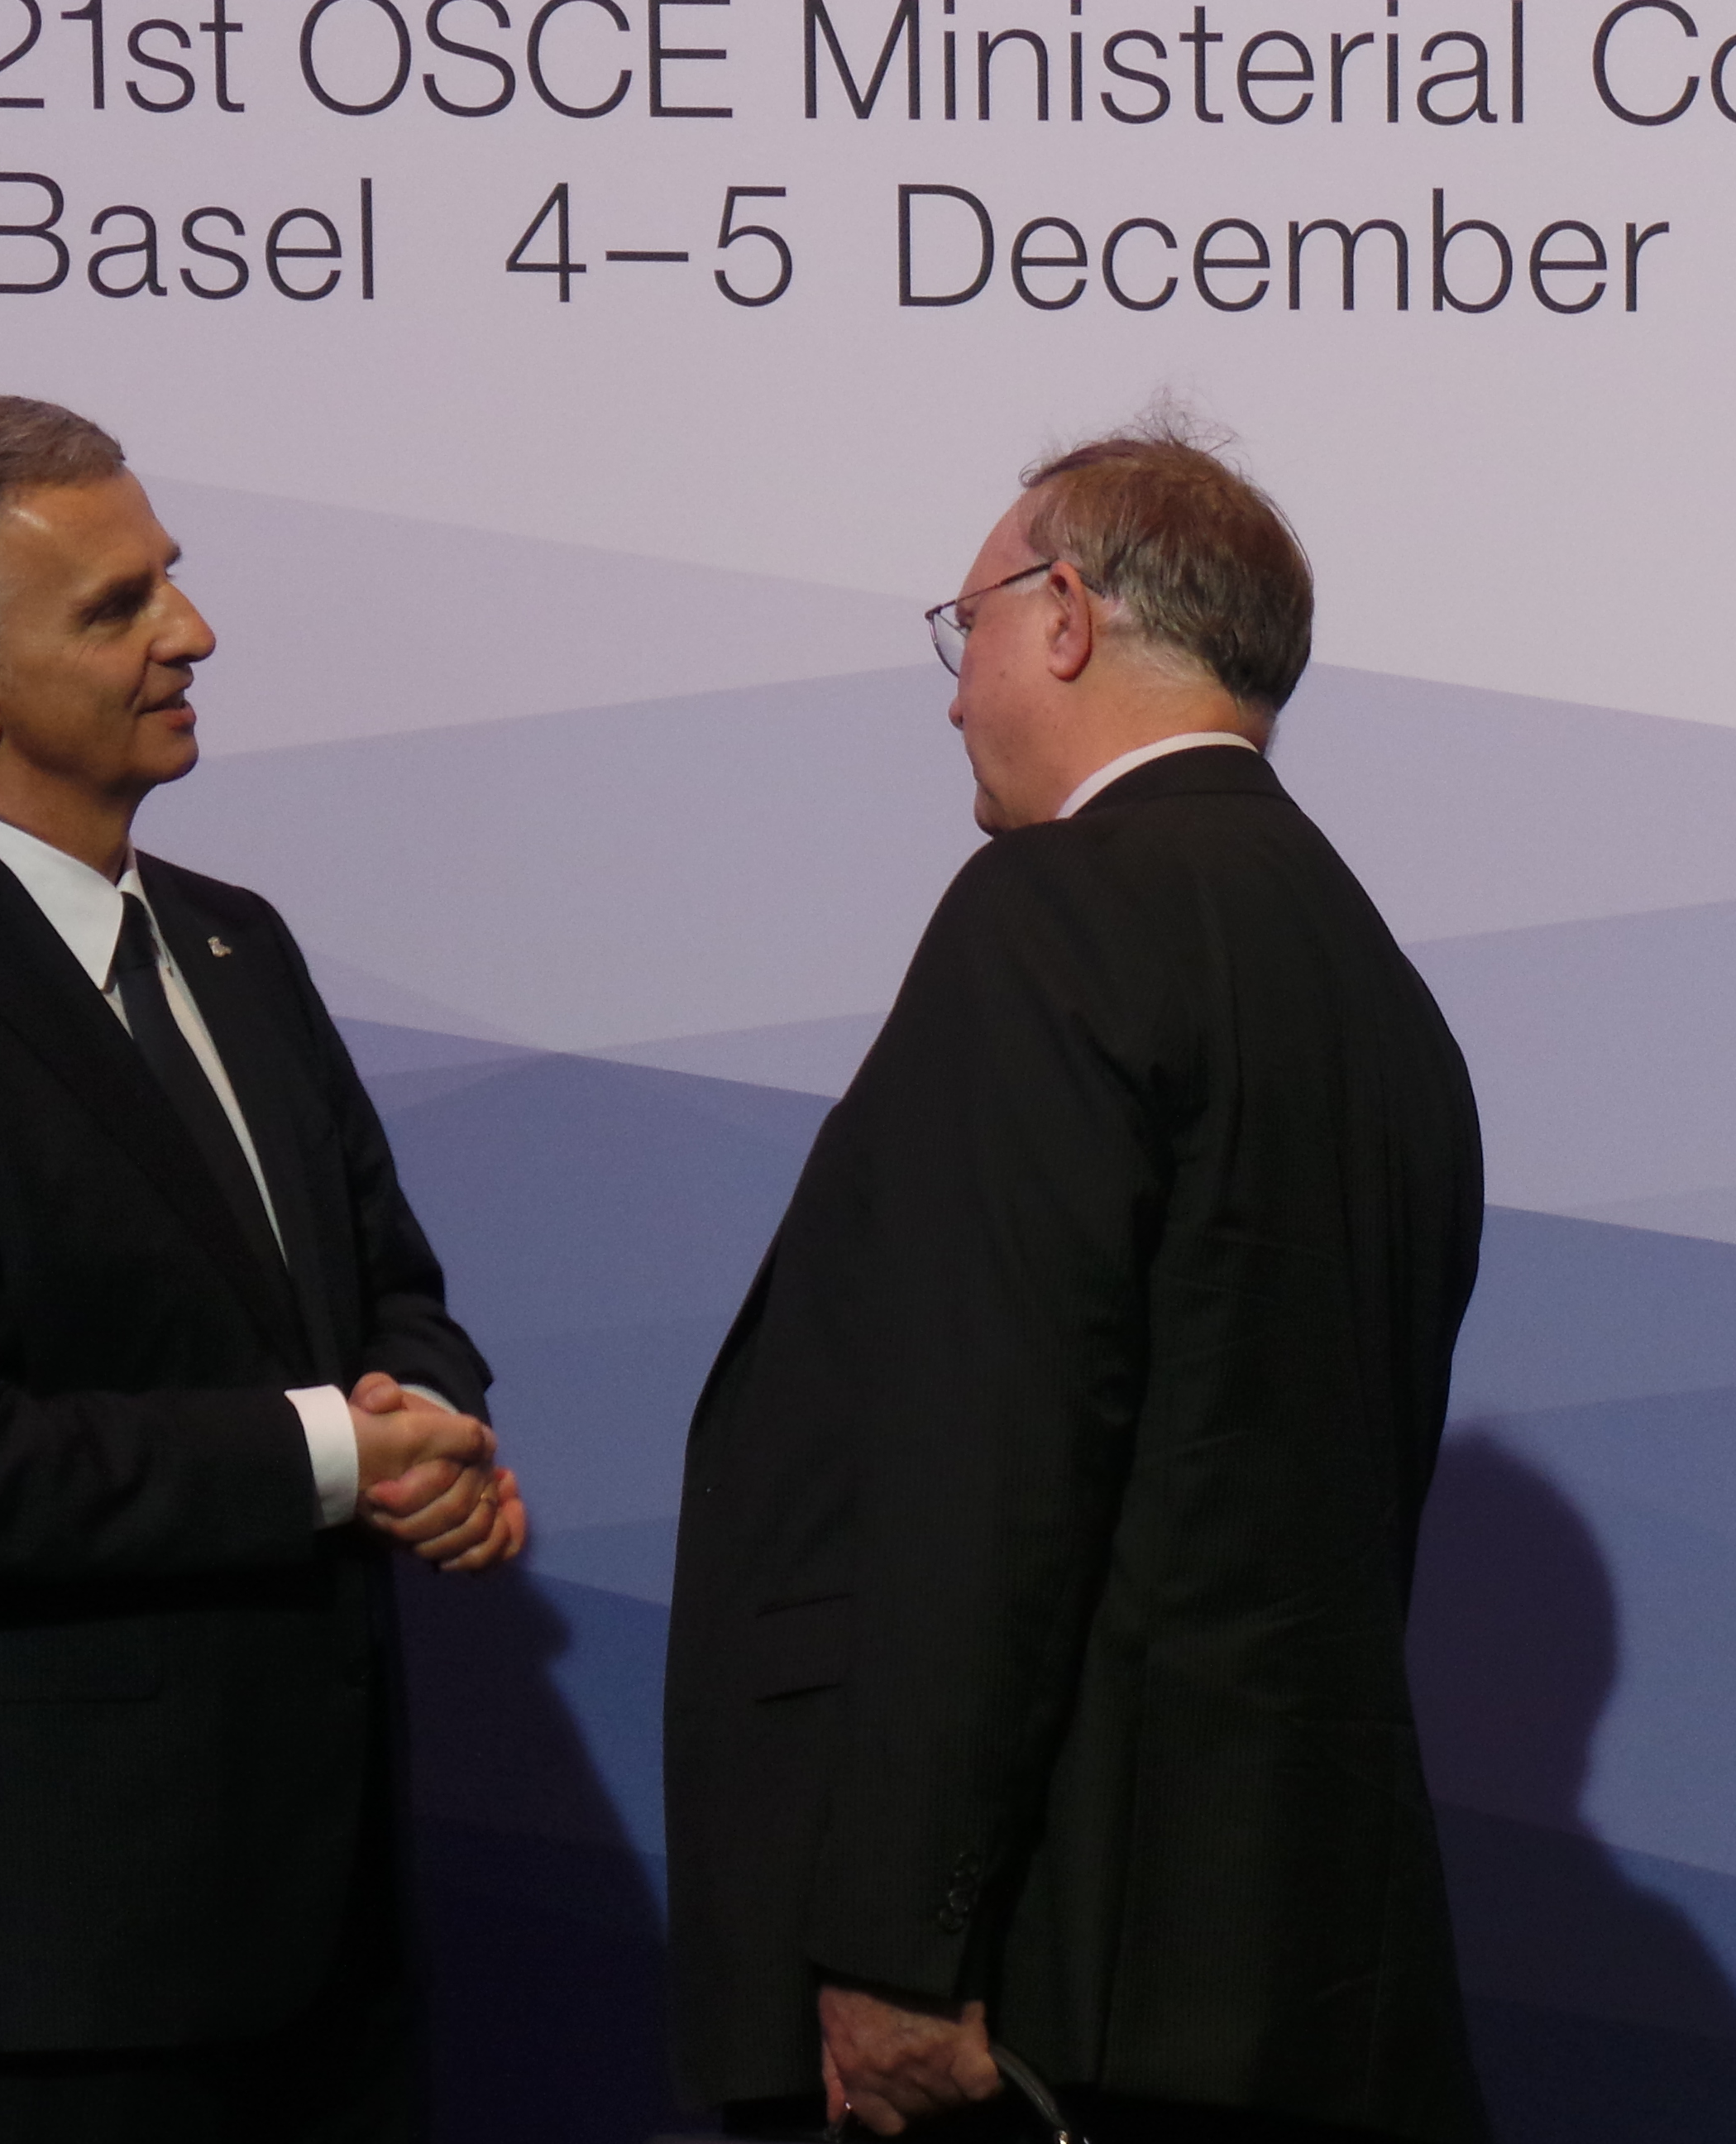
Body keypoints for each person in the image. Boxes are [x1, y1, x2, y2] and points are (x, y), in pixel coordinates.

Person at [0, 394, 529, 2144]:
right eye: (117, 607)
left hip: (331, 1930)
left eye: (173, 579)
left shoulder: (240, 942)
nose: (192, 632)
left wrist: (431, 1430)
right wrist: (332, 1457)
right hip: (61, 1969)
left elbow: (387, 1284)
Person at [664, 424, 1492, 2144]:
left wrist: (900, 1937)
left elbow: (990, 1465)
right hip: (1289, 1976)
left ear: (1061, 614)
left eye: (961, 628)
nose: (953, 696)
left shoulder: (1051, 916)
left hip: (1038, 1991)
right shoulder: (1378, 991)